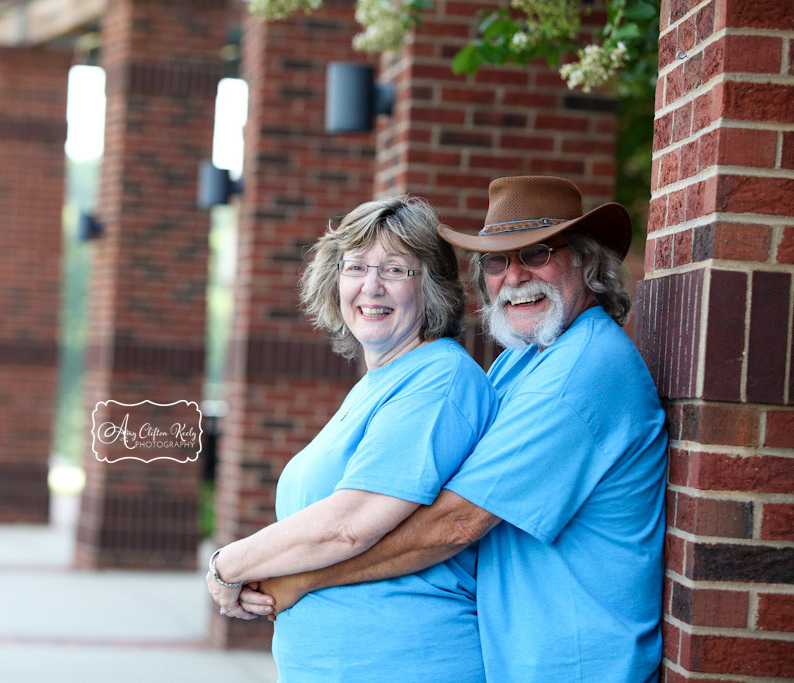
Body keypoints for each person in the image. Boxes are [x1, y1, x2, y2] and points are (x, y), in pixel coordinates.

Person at [241, 176, 668, 683]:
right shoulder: (523, 363)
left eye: (535, 254)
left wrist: (301, 579)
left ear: (585, 259)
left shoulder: (583, 371)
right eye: (496, 261)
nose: (513, 278)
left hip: (576, 664)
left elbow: (455, 523)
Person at [206, 196, 497, 681]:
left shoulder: (439, 378)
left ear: (431, 287)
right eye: (356, 266)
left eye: (396, 269)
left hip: (405, 664)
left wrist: (227, 565)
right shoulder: (378, 383)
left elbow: (350, 523)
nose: (371, 286)